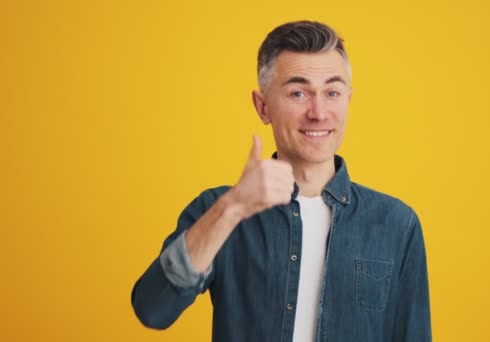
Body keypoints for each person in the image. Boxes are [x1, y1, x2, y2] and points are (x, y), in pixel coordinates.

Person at [131, 20, 431, 341]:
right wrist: (232, 209)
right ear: (263, 107)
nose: (318, 112)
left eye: (332, 92)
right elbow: (153, 309)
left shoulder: (397, 224)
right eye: (298, 93)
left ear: (348, 100)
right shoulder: (218, 210)